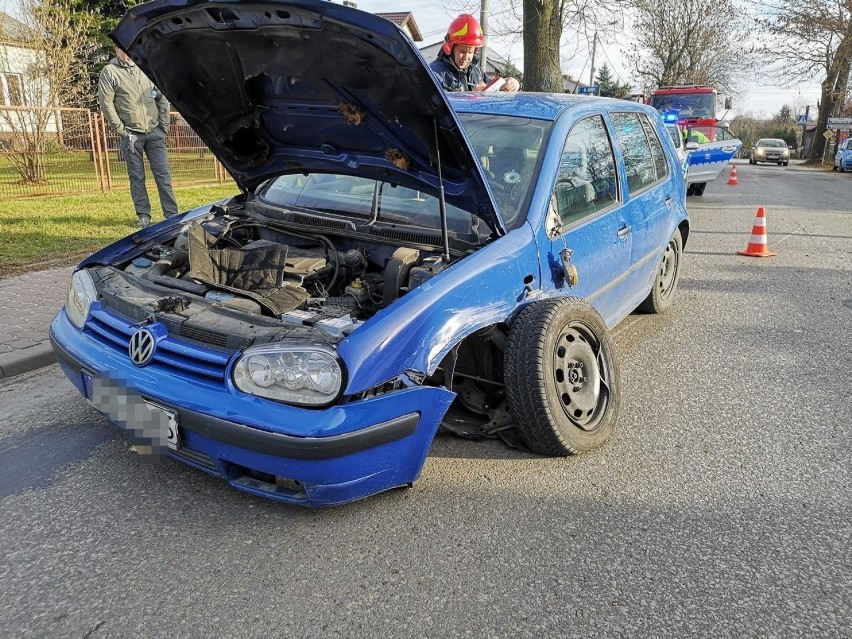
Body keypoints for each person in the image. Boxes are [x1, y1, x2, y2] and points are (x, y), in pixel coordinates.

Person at [98, 47, 178, 228]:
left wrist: (163, 126)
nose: (127, 54)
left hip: (155, 133)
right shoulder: (110, 72)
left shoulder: (146, 69)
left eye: (129, 50)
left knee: (163, 175)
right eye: (122, 50)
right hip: (131, 135)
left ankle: (171, 214)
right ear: (116, 49)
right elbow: (106, 103)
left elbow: (161, 97)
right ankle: (144, 215)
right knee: (137, 177)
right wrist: (121, 130)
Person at [429, 14, 520, 93]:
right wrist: (472, 98)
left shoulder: (476, 73)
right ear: (451, 48)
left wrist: (512, 83)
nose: (466, 57)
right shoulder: (433, 73)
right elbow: (435, 109)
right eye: (462, 51)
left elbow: (493, 88)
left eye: (470, 52)